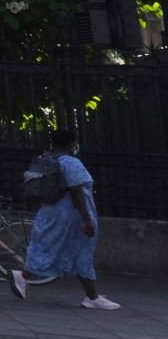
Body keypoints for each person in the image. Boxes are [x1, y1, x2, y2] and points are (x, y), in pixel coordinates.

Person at [13, 130, 117, 310]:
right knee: (82, 250)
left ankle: (91, 295)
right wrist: (87, 219)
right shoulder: (71, 163)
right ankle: (91, 297)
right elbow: (77, 192)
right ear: (72, 143)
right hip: (71, 215)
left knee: (47, 245)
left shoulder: (47, 160)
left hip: (50, 210)